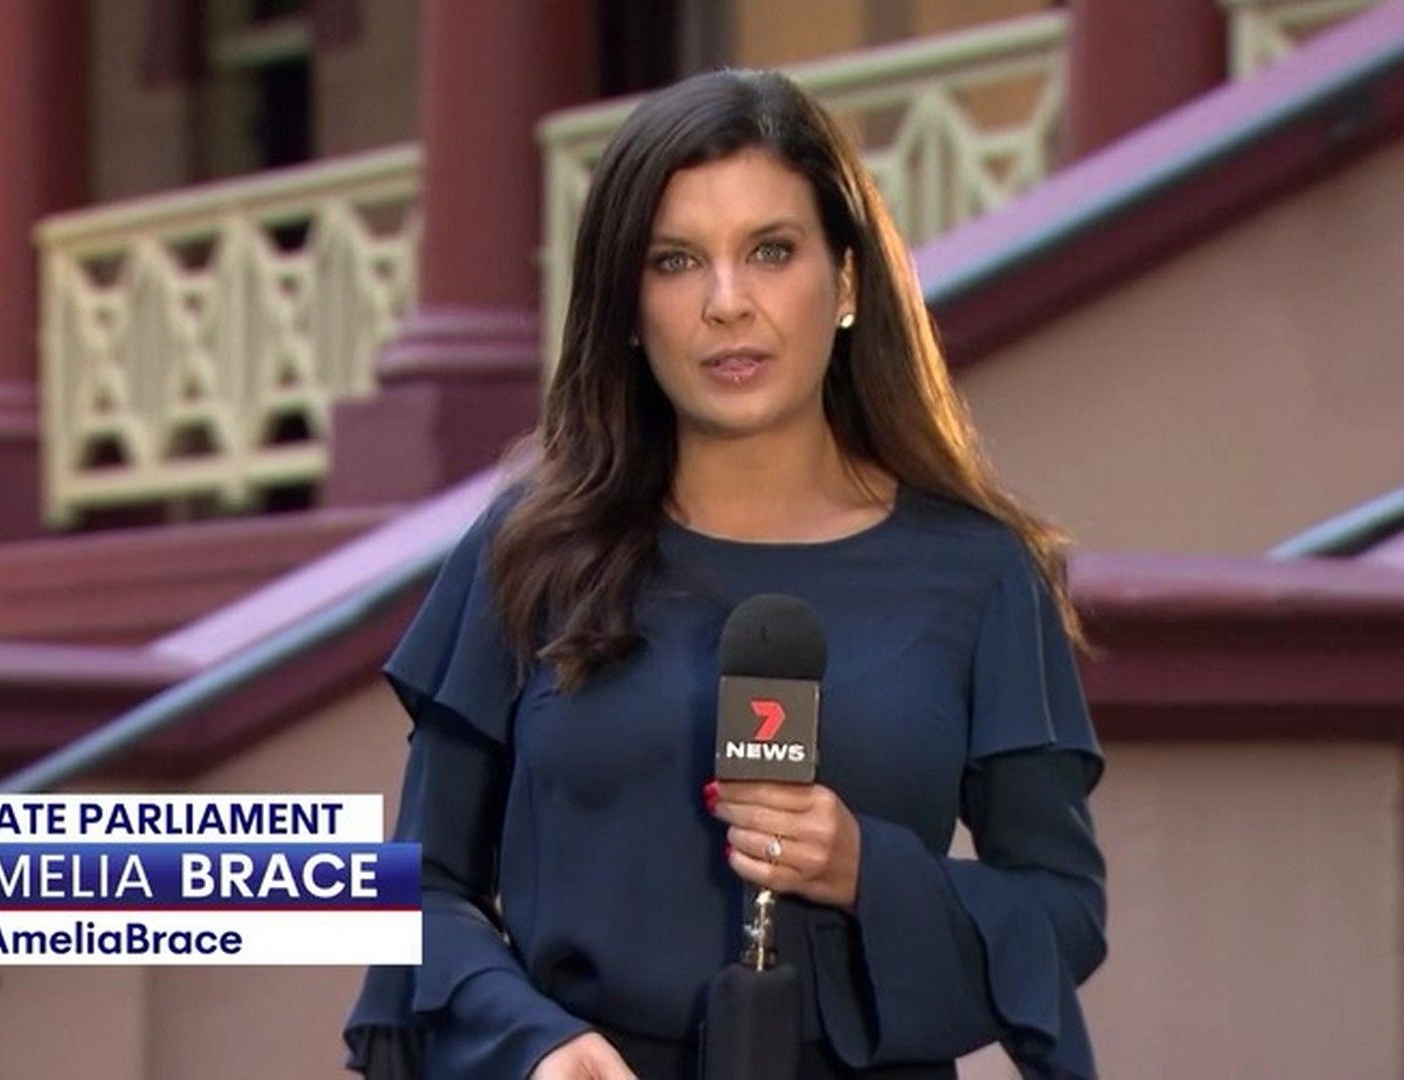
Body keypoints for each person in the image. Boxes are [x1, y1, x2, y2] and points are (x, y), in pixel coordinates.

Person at [344, 68, 1105, 1080]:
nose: (727, 303)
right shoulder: (527, 551)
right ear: (626, 305)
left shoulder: (979, 572)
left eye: (771, 251)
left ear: (846, 283)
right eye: (676, 261)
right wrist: (532, 1044)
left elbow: (1061, 911)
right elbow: (415, 892)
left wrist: (865, 869)